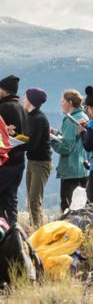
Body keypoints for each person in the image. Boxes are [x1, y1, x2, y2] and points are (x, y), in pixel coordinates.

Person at [8, 88, 53, 229]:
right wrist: (14, 135)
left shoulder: (38, 118)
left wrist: (11, 144)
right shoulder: (32, 116)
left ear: (32, 100)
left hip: (41, 163)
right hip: (33, 162)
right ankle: (36, 228)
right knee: (32, 199)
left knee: (34, 200)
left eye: (25, 97)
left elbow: (31, 144)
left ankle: (38, 230)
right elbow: (28, 138)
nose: (23, 100)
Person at [50, 90, 90, 212]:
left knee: (68, 207)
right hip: (84, 168)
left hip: (71, 170)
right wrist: (56, 133)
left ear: (70, 102)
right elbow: (74, 139)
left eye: (62, 101)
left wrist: (51, 139)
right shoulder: (84, 117)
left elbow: (66, 147)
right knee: (82, 207)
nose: (60, 104)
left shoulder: (71, 120)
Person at [0, 75, 27, 224]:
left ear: (4, 91)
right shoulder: (21, 109)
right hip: (19, 161)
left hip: (5, 162)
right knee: (10, 200)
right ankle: (13, 233)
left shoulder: (3, 108)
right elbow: (25, 137)